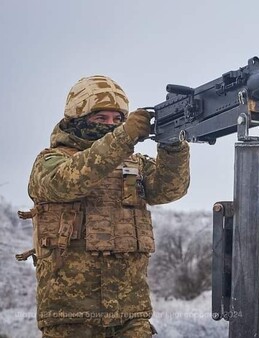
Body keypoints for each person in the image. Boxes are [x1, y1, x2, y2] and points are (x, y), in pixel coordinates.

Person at [20, 75, 190, 337]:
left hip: (130, 315)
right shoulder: (49, 162)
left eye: (118, 120)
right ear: (77, 119)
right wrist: (124, 136)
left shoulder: (133, 165)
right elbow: (71, 181)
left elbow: (170, 189)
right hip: (71, 317)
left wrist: (173, 146)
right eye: (101, 118)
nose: (111, 125)